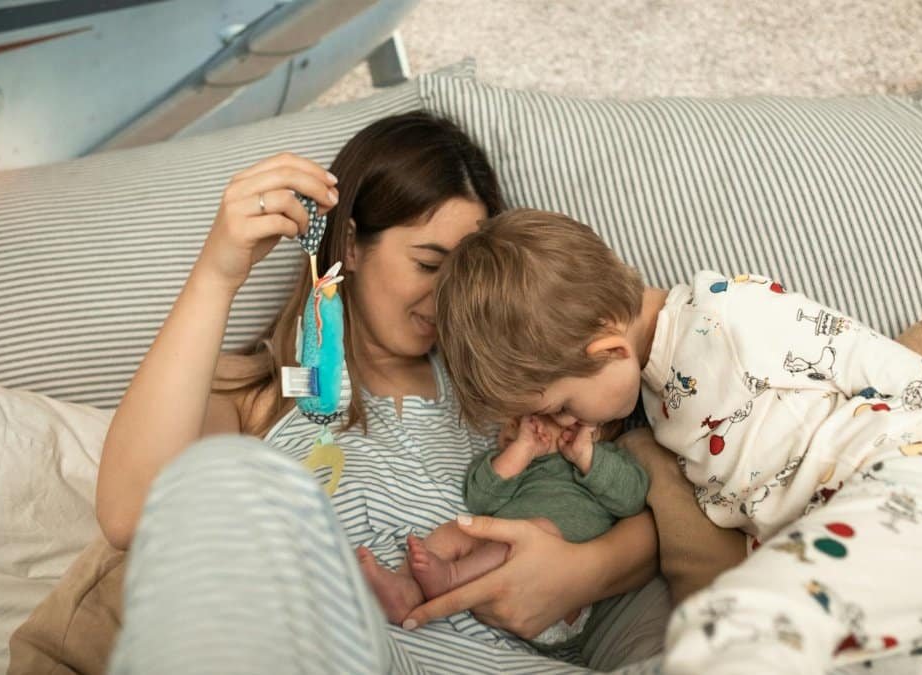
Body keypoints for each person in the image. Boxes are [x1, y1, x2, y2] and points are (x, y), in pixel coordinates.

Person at [95, 114, 670, 674]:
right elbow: (131, 516)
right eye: (428, 263)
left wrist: (584, 571)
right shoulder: (254, 396)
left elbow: (659, 505)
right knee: (233, 475)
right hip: (345, 655)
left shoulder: (520, 394)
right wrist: (217, 274)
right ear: (352, 242)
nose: (449, 301)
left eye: (467, 280)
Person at [434, 208, 922, 674]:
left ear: (609, 348)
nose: (563, 424)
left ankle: (728, 636)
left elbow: (916, 383)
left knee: (749, 618)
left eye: (560, 404)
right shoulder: (652, 393)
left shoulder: (730, 316)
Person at [357, 413, 649, 650]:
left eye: (536, 418)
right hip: (495, 570)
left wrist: (587, 456)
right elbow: (479, 498)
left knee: (537, 530)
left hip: (558, 599)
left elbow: (631, 499)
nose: (520, 424)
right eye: (517, 420)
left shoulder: (608, 460)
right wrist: (520, 452)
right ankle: (403, 589)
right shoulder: (523, 464)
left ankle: (451, 577)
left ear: (587, 428)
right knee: (459, 529)